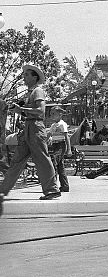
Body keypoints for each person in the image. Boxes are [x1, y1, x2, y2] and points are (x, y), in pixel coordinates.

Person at [0, 65, 61, 216]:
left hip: (36, 128)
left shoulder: (38, 91)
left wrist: (22, 110)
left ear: (34, 77)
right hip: (27, 129)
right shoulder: (29, 94)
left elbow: (40, 111)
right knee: (17, 161)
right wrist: (19, 109)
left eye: (27, 75)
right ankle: (2, 191)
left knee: (42, 158)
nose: (24, 77)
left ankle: (52, 190)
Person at [47, 106, 71, 193]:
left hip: (61, 145)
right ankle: (65, 186)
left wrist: (69, 149)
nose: (51, 115)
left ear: (60, 114)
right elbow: (48, 135)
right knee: (60, 167)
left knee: (54, 162)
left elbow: (66, 137)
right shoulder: (53, 125)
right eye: (51, 114)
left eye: (53, 113)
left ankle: (53, 186)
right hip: (54, 145)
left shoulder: (62, 124)